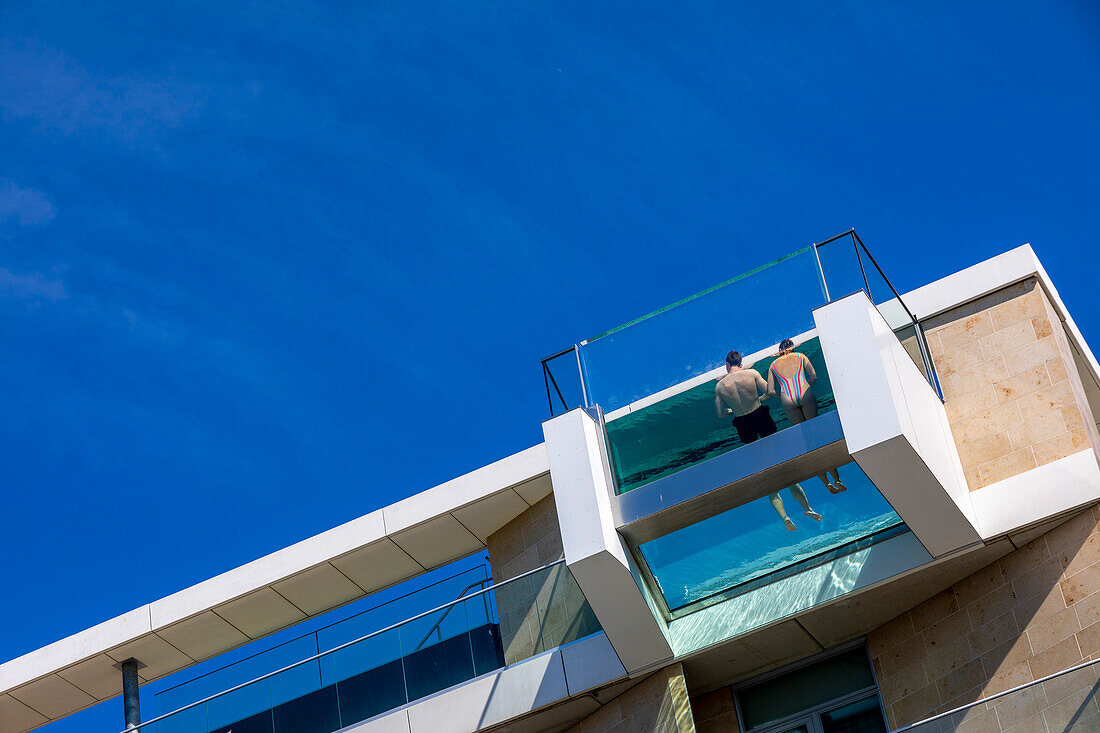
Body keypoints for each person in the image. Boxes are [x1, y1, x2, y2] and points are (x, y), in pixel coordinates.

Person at [717, 350, 821, 531]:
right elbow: (771, 392)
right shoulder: (752, 373)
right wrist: (759, 398)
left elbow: (720, 414)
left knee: (767, 474)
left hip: (742, 423)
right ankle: (807, 508)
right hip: (759, 415)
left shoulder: (720, 386)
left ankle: (785, 517)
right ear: (741, 363)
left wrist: (732, 411)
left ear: (726, 365)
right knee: (783, 466)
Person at [768, 338, 846, 494]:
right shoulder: (801, 356)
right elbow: (814, 377)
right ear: (793, 347)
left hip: (787, 398)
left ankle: (826, 484)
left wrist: (783, 395)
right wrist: (805, 389)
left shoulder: (773, 365)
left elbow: (770, 391)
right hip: (805, 392)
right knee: (818, 438)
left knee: (807, 442)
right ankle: (837, 479)